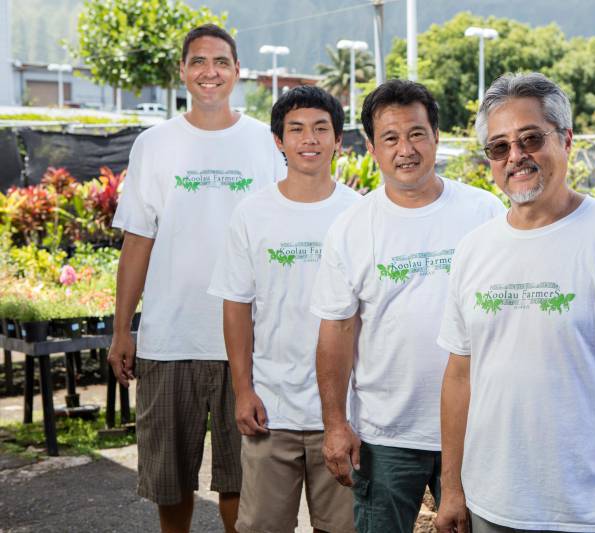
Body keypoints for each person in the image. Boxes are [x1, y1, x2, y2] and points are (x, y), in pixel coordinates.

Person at [435, 72, 595, 533]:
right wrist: (452, 489)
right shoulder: (474, 249)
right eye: (499, 147)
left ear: (566, 139)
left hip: (593, 511)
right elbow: (459, 376)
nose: (516, 156)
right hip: (491, 505)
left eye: (531, 139)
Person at [107, 24, 285, 533]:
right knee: (171, 479)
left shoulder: (264, 144)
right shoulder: (154, 143)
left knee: (241, 478)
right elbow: (138, 240)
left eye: (221, 62)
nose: (210, 71)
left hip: (248, 341)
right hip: (169, 339)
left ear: (237, 71)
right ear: (183, 71)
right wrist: (124, 329)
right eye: (199, 61)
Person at [311, 79, 506, 533]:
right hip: (386, 435)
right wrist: (335, 423)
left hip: (477, 425)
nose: (406, 149)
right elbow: (335, 332)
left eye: (417, 134)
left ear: (437, 137)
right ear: (373, 149)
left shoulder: (485, 213)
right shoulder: (351, 227)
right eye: (391, 138)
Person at [208, 85, 361, 533]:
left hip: (344, 414)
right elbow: (236, 306)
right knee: (261, 527)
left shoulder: (360, 213)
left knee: (342, 528)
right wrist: (243, 390)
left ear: (338, 139)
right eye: (296, 130)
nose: (308, 139)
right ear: (279, 141)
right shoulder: (252, 213)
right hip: (271, 409)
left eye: (320, 129)